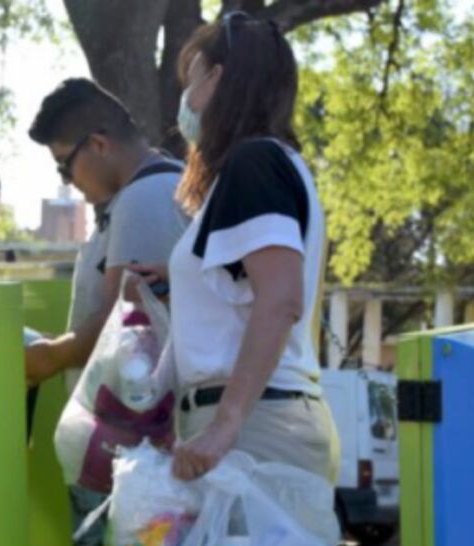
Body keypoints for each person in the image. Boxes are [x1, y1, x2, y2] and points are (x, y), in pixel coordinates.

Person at [134, 12, 341, 485]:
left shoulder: (255, 162)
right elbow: (247, 293)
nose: (183, 99)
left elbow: (280, 297)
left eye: (191, 79)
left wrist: (225, 424)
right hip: (252, 422)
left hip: (252, 428)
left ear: (217, 78)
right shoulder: (262, 165)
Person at [23, 78, 188, 546]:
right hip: (125, 449)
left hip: (129, 453)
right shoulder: (137, 197)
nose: (66, 183)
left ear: (97, 143)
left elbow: (127, 324)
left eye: (63, 165)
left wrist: (47, 359)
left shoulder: (144, 197)